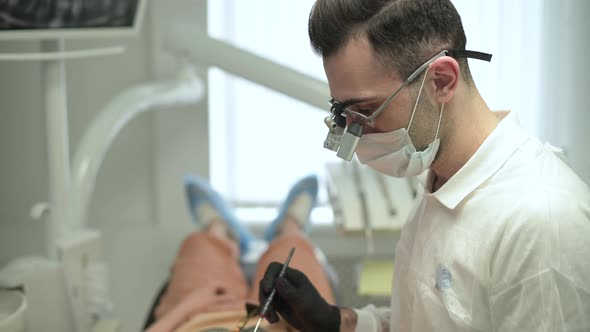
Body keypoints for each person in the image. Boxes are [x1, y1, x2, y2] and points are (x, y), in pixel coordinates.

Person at [258, 1, 590, 331]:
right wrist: (335, 322)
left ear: (442, 81)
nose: (356, 135)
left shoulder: (540, 225)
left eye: (366, 111)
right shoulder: (441, 179)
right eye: (345, 114)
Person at [144, 174, 337, 332]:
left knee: (201, 246)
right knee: (294, 246)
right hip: (286, 318)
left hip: (198, 316)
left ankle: (221, 230)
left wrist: (188, 305)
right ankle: (289, 226)